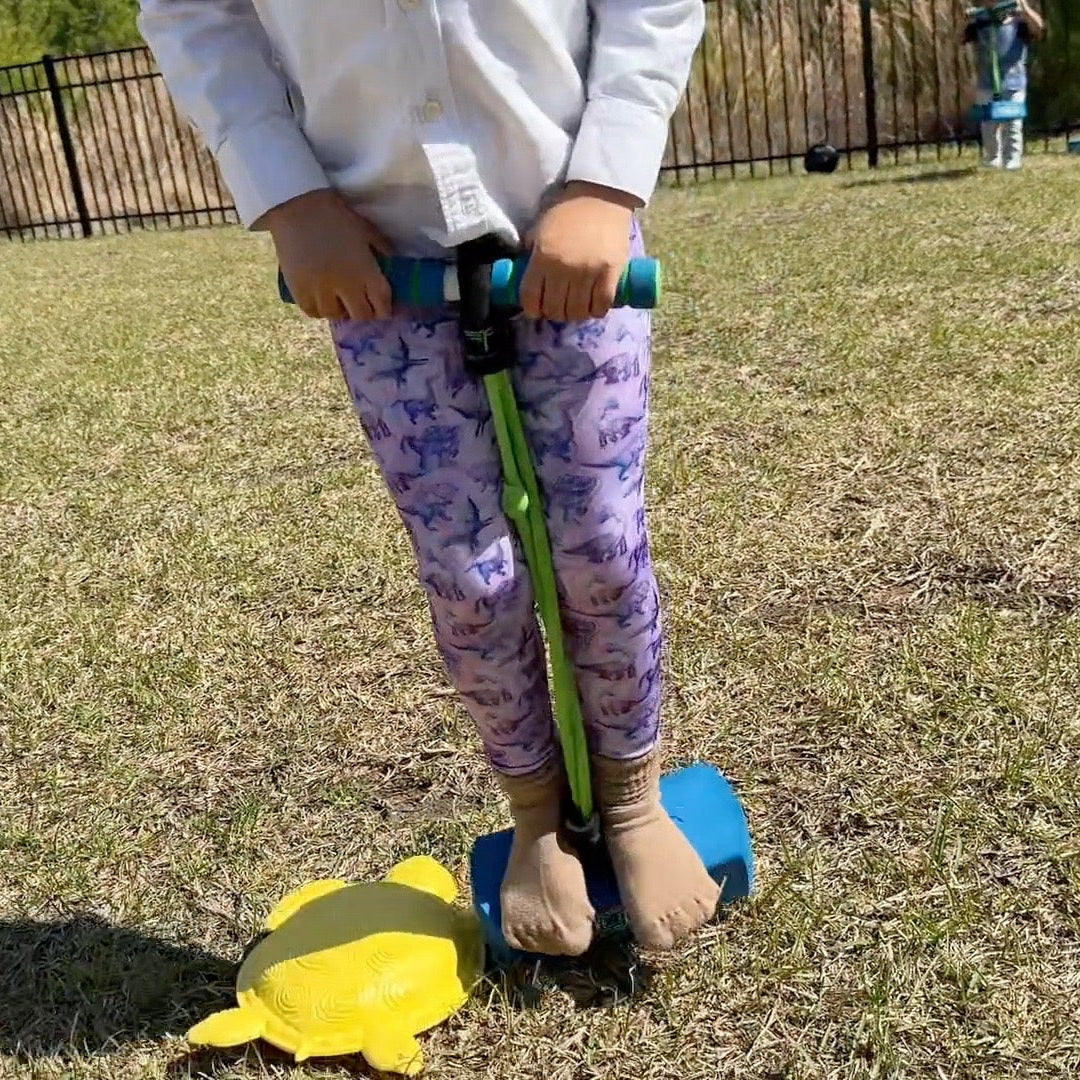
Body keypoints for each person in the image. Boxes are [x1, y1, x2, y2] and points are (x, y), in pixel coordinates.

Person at [138, 1, 717, 956]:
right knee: (471, 578)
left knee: (601, 550)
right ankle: (536, 817)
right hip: (375, 261)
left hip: (571, 234)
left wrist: (605, 181)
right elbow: (193, 13)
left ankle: (633, 801)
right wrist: (288, 195)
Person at [964, 0, 1046, 170]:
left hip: (1013, 80)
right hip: (987, 81)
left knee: (1013, 122)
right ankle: (992, 158)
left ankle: (1012, 159)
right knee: (988, 124)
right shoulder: (980, 21)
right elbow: (960, 38)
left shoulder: (1019, 20)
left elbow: (1039, 29)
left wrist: (1026, 10)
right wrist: (965, 19)